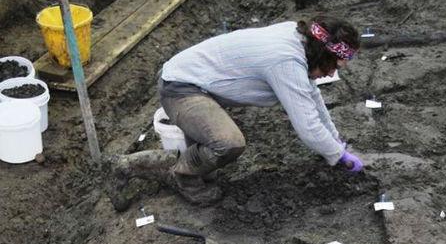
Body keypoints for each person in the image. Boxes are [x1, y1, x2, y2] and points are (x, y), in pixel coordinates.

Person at [110, 16, 364, 206]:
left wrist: (335, 142)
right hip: (181, 88)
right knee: (227, 143)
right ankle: (179, 176)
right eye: (333, 64)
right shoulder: (285, 60)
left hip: (199, 84)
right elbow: (307, 124)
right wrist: (337, 155)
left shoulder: (302, 41)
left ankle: (133, 166)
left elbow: (312, 97)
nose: (333, 73)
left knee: (206, 157)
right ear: (321, 52)